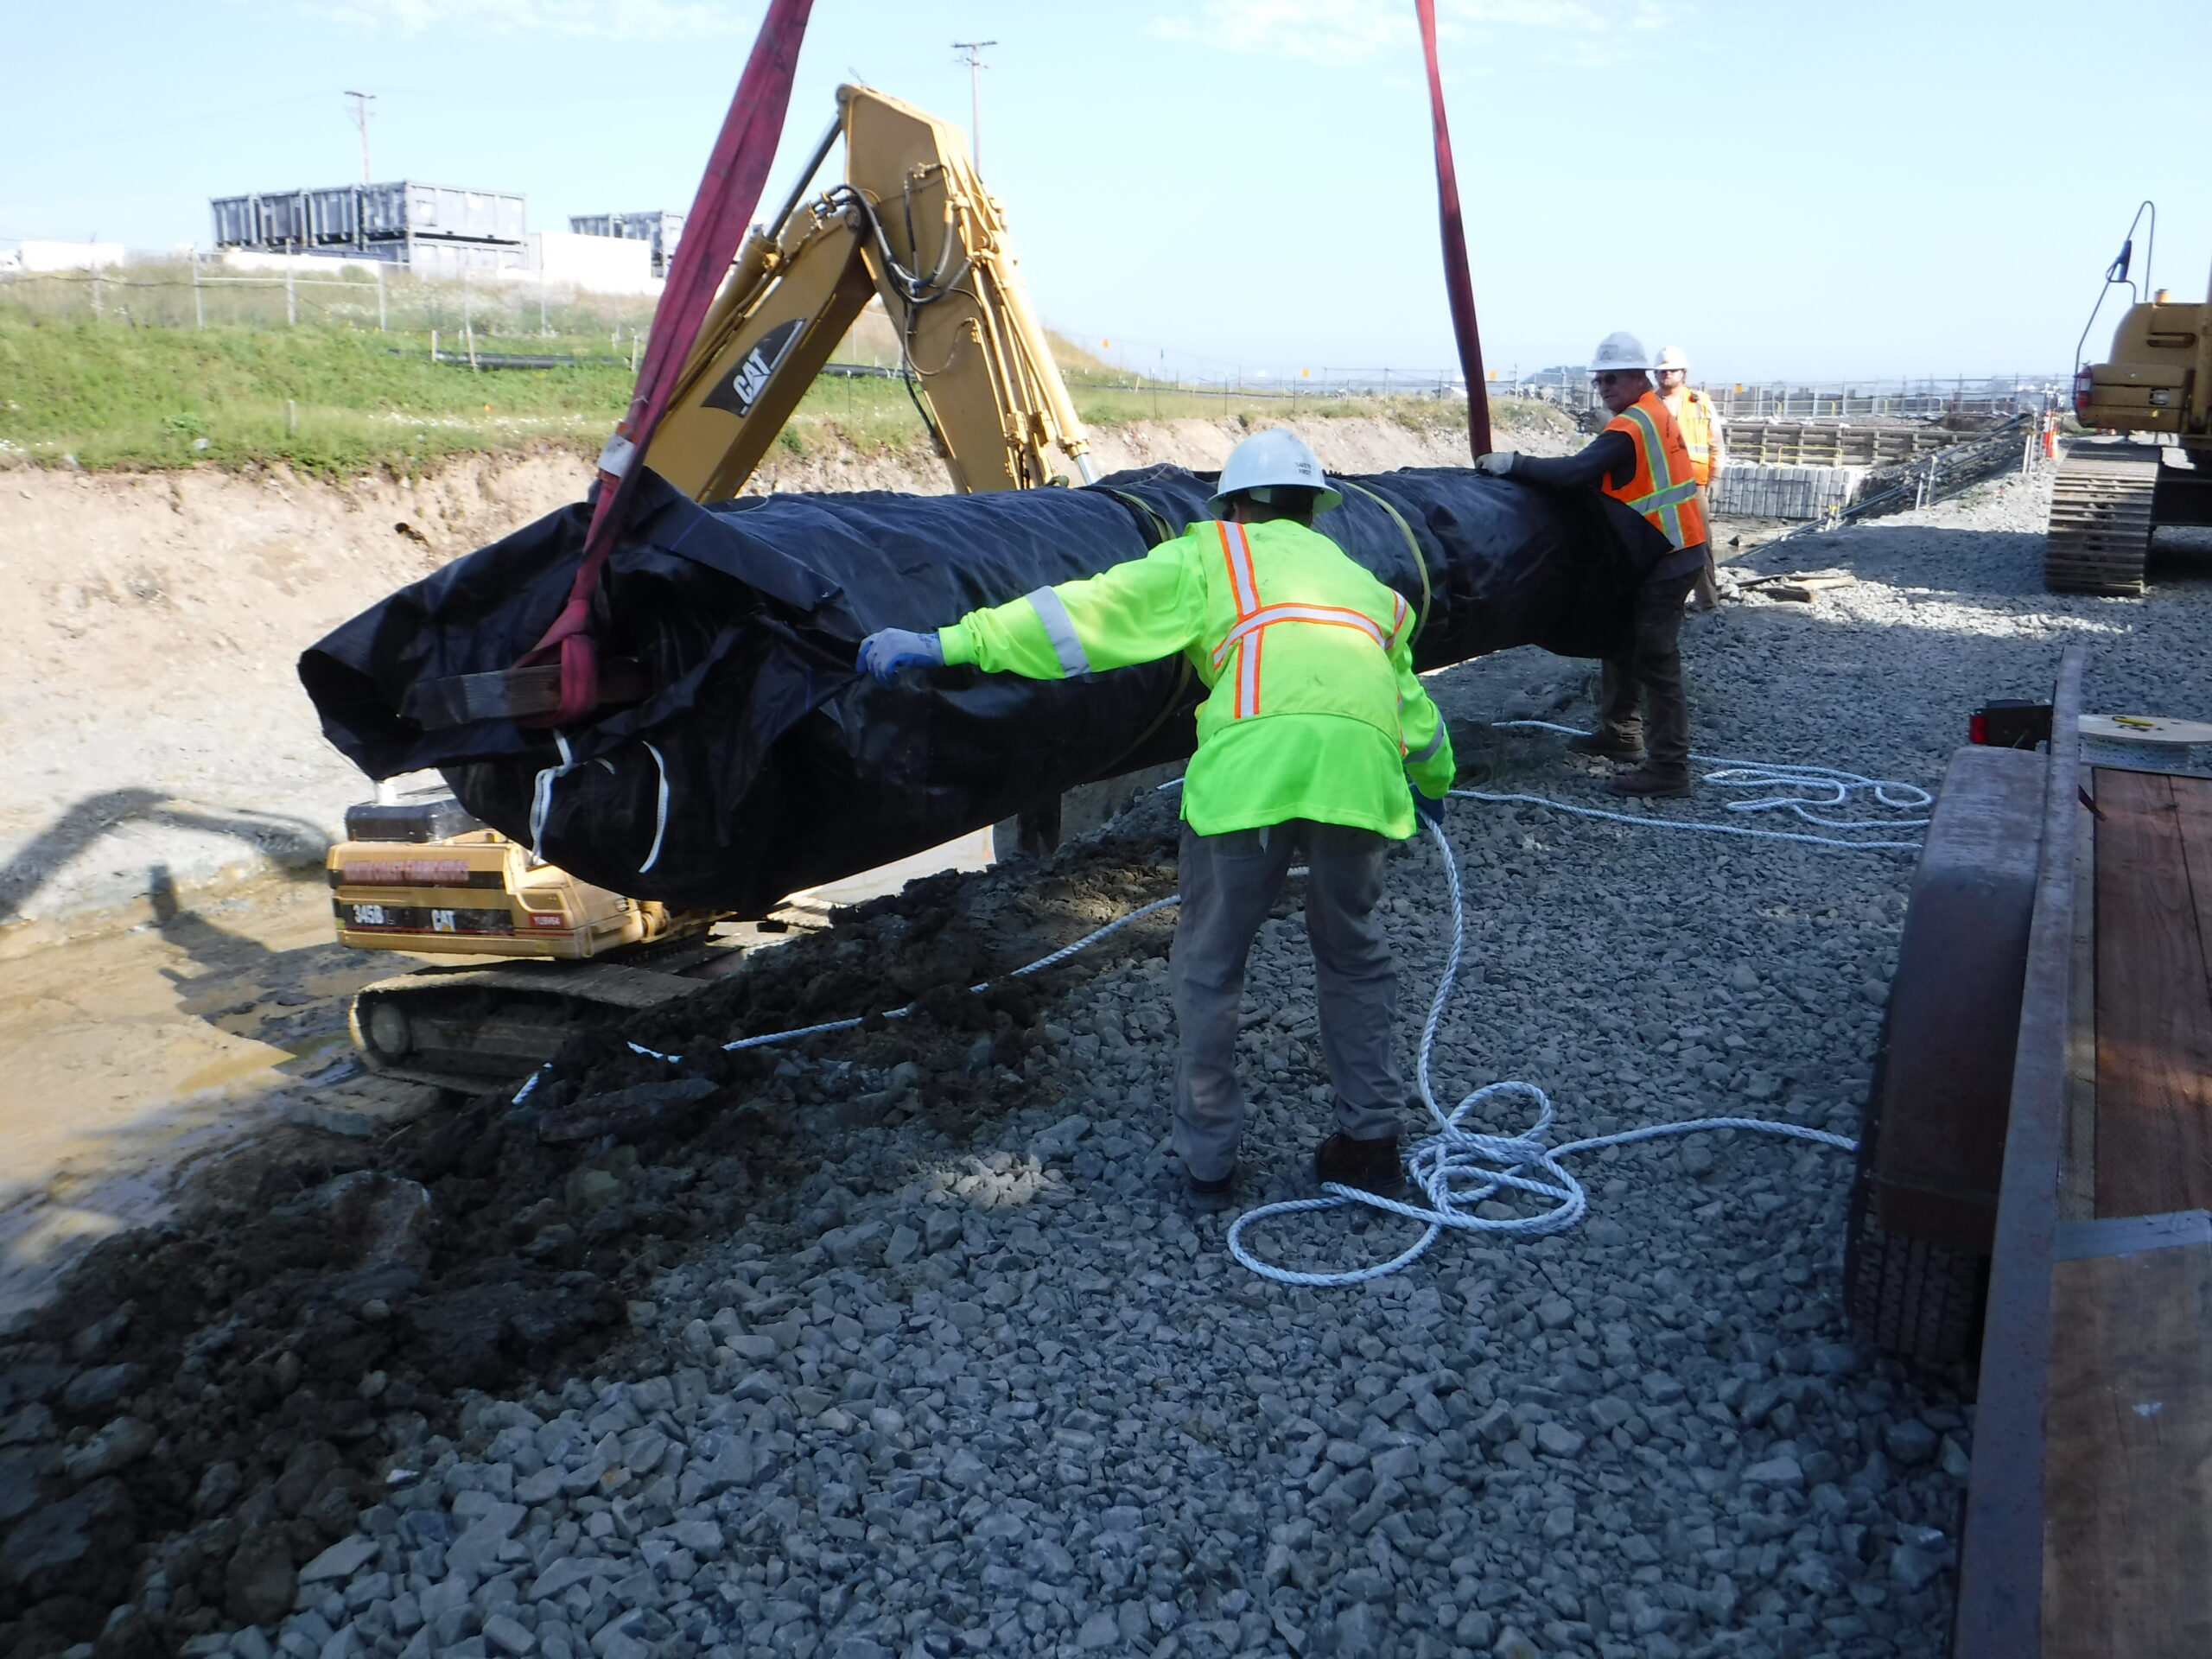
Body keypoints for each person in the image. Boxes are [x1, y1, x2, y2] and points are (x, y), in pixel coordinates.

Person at [855, 428, 1456, 1208]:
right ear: (1315, 511)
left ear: (1235, 505)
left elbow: (1082, 615)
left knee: (1210, 966)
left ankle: (1210, 1164)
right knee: (1354, 958)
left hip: (1249, 780)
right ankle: (1370, 1144)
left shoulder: (1214, 554)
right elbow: (1415, 710)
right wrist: (1433, 781)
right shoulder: (1370, 589)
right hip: (1360, 780)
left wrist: (949, 642)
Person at [1471, 331, 1707, 798]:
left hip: (1668, 552)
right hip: (1668, 547)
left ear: (1639, 376)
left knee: (1655, 658)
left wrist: (1512, 463)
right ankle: (1621, 737)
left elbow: (1576, 472)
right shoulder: (1651, 413)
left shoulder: (1631, 426)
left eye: (1612, 377)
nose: (1603, 385)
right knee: (1621, 638)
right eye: (1599, 379)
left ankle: (1670, 770)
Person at [1654, 344, 1726, 608]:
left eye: (1672, 370)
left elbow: (1716, 442)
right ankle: (1666, 601)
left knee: (1700, 541)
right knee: (1658, 542)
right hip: (1658, 485)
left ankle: (1707, 600)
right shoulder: (1648, 404)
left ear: (1683, 373)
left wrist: (1716, 478)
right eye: (1662, 371)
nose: (1666, 375)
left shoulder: (1699, 403)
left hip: (1694, 484)